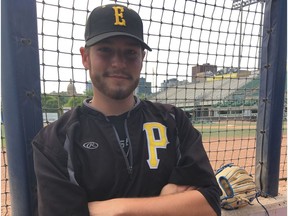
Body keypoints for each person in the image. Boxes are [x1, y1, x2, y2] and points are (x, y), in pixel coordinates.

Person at [32, 4, 221, 216]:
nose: (118, 63)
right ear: (85, 57)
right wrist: (169, 205)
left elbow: (210, 205)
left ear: (142, 58)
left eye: (130, 52)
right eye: (105, 50)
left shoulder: (173, 121)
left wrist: (115, 209)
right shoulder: (54, 140)